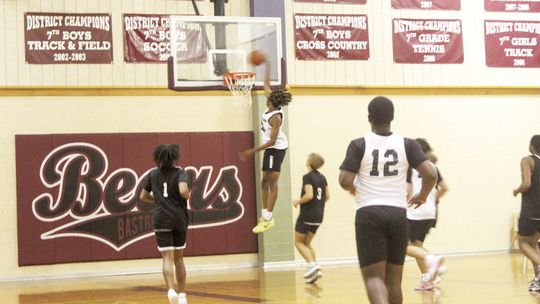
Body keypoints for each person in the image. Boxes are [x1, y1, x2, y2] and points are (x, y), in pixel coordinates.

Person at [338, 96, 438, 304]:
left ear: (369, 118)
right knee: (393, 282)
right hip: (398, 215)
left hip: (369, 213)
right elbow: (431, 173)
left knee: (374, 278)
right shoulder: (407, 144)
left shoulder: (359, 144)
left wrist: (355, 188)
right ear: (392, 117)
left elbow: (344, 180)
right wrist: (423, 196)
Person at [240, 59, 292, 234]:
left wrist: (252, 151)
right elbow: (267, 84)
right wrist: (266, 65)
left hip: (276, 148)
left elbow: (271, 141)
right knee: (264, 181)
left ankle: (268, 218)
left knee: (272, 182)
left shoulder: (275, 117)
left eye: (268, 96)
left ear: (271, 101)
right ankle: (265, 217)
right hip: (271, 148)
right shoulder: (271, 105)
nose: (266, 95)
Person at [140, 144, 190, 304]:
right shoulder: (181, 172)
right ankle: (182, 295)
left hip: (161, 218)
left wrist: (159, 200)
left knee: (166, 258)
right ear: (175, 157)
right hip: (179, 218)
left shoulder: (152, 174)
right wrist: (187, 195)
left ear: (159, 158)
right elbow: (183, 190)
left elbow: (143, 196)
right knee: (179, 259)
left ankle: (170, 290)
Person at [405, 138, 449, 291]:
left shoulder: (411, 168)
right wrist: (432, 200)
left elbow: (408, 191)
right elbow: (444, 188)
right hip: (431, 212)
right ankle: (428, 278)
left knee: (403, 247)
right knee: (417, 246)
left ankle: (432, 259)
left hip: (415, 212)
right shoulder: (434, 167)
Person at [293, 153, 330, 284]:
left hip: (307, 214)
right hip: (319, 215)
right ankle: (315, 272)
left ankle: (312, 265)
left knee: (298, 242)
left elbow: (309, 195)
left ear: (309, 161)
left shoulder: (307, 177)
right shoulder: (323, 178)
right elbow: (327, 196)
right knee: (307, 243)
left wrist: (298, 201)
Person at [513, 135, 540, 292]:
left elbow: (526, 184)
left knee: (522, 243)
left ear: (531, 146)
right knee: (533, 244)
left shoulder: (527, 160)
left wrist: (516, 191)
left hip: (532, 209)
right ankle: (538, 279)